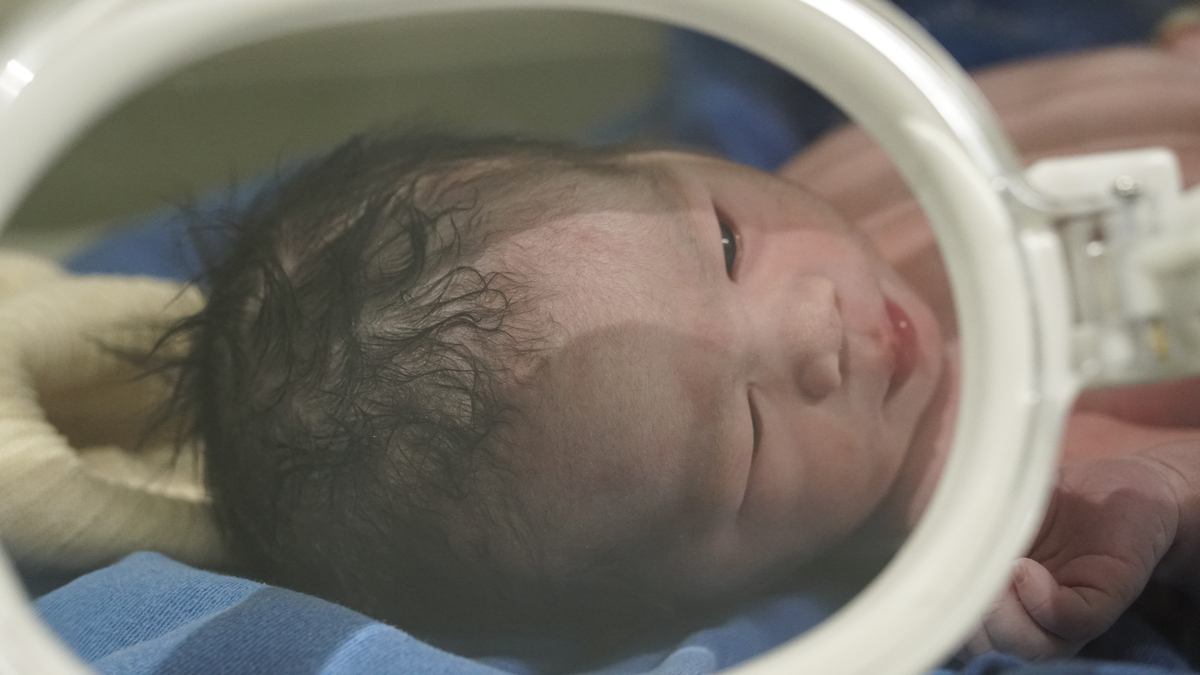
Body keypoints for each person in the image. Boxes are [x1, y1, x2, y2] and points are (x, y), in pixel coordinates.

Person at [166, 26, 1200, 664]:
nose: (815, 329)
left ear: (652, 156)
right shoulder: (991, 492)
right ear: (706, 592)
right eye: (746, 433)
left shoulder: (862, 150)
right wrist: (1158, 493)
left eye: (725, 244)